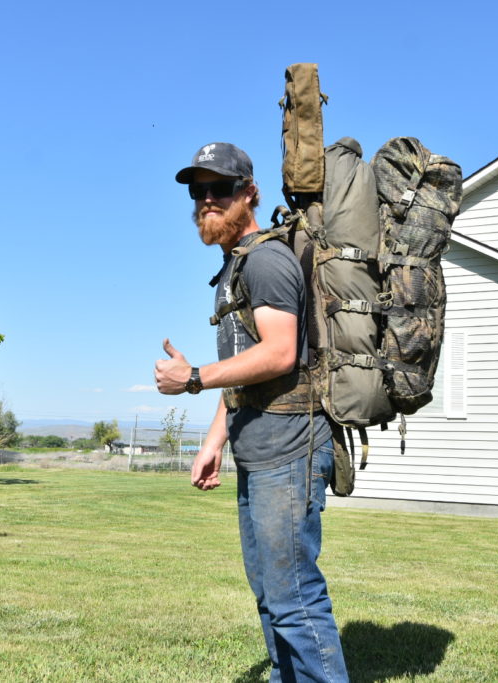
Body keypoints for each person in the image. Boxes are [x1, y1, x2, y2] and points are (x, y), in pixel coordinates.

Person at [154, 142, 349, 682]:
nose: (207, 200)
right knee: (270, 593)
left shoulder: (264, 260)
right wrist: (214, 441)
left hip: (289, 449)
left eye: (220, 188)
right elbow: (246, 369)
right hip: (258, 451)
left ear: (249, 193)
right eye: (198, 191)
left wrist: (194, 378)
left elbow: (280, 353)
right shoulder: (235, 266)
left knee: (294, 597)